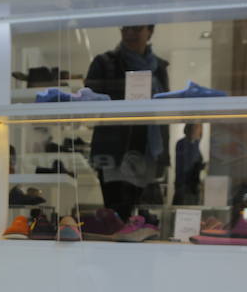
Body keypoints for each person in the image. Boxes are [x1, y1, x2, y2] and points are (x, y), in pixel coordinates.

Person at [85, 24, 170, 220]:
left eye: (137, 29)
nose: (130, 33)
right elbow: (89, 100)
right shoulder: (104, 62)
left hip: (148, 150)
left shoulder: (159, 68)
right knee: (116, 215)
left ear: (149, 31)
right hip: (114, 150)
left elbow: (164, 112)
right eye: (125, 29)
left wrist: (163, 156)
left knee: (142, 217)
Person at [173, 124, 205, 205]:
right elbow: (187, 166)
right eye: (197, 127)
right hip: (185, 186)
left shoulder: (195, 144)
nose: (200, 131)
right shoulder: (184, 144)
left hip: (191, 186)